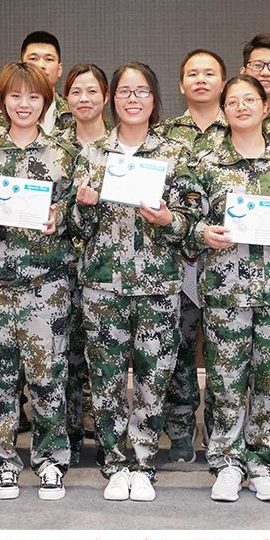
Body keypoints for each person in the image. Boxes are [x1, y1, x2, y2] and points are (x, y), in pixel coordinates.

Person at [70, 62, 196, 502]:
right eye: (124, 91)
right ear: (112, 99)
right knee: (105, 378)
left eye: (141, 91)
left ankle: (142, 462)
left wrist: (168, 219)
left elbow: (191, 222)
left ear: (154, 98)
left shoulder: (175, 154)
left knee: (152, 377)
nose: (132, 99)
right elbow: (75, 228)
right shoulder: (92, 154)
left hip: (157, 285)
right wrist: (83, 206)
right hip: (103, 286)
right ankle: (114, 462)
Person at [187, 75, 270, 503]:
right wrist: (203, 233)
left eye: (249, 100)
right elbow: (187, 222)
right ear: (223, 111)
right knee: (225, 380)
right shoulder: (206, 165)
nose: (241, 107)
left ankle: (261, 462)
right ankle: (226, 462)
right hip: (226, 291)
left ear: (265, 107)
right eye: (233, 102)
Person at [0, 61, 75, 501]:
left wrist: (59, 218)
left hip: (46, 284)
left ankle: (51, 461)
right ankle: (4, 462)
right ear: (2, 100)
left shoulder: (64, 153)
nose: (24, 104)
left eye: (33, 97)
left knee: (49, 377)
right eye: (15, 96)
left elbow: (78, 214)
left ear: (45, 101)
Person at [158, 49, 229, 463]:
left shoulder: (239, 127)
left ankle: (222, 434)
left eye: (209, 73)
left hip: (226, 261)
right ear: (181, 84)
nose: (201, 80)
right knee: (178, 348)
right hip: (176, 259)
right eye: (192, 74)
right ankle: (181, 430)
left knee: (225, 354)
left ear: (223, 83)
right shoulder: (165, 136)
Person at [60, 63, 110, 462]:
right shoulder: (54, 148)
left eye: (92, 91)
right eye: (76, 92)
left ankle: (104, 433)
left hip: (105, 269)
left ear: (106, 97)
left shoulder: (119, 149)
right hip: (57, 266)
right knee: (65, 354)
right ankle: (69, 434)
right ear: (66, 99)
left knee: (103, 355)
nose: (84, 99)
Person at [21, 30, 73, 134]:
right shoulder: (1, 115)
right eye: (33, 59)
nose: (41, 66)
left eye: (49, 59)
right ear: (20, 67)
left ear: (59, 69)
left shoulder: (75, 112)